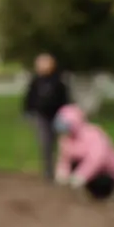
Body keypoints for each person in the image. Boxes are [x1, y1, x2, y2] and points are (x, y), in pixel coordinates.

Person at [53, 104, 114, 200]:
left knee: (100, 193)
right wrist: (62, 174)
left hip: (107, 172)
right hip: (86, 168)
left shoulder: (94, 134)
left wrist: (81, 176)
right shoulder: (65, 139)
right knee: (73, 168)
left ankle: (106, 194)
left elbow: (96, 159)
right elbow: (65, 158)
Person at [22, 53, 71, 181]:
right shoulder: (35, 81)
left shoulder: (59, 81)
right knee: (45, 143)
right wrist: (27, 111)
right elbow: (29, 98)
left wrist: (66, 115)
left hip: (58, 117)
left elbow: (65, 100)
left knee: (62, 145)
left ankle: (63, 171)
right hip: (41, 116)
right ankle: (48, 171)